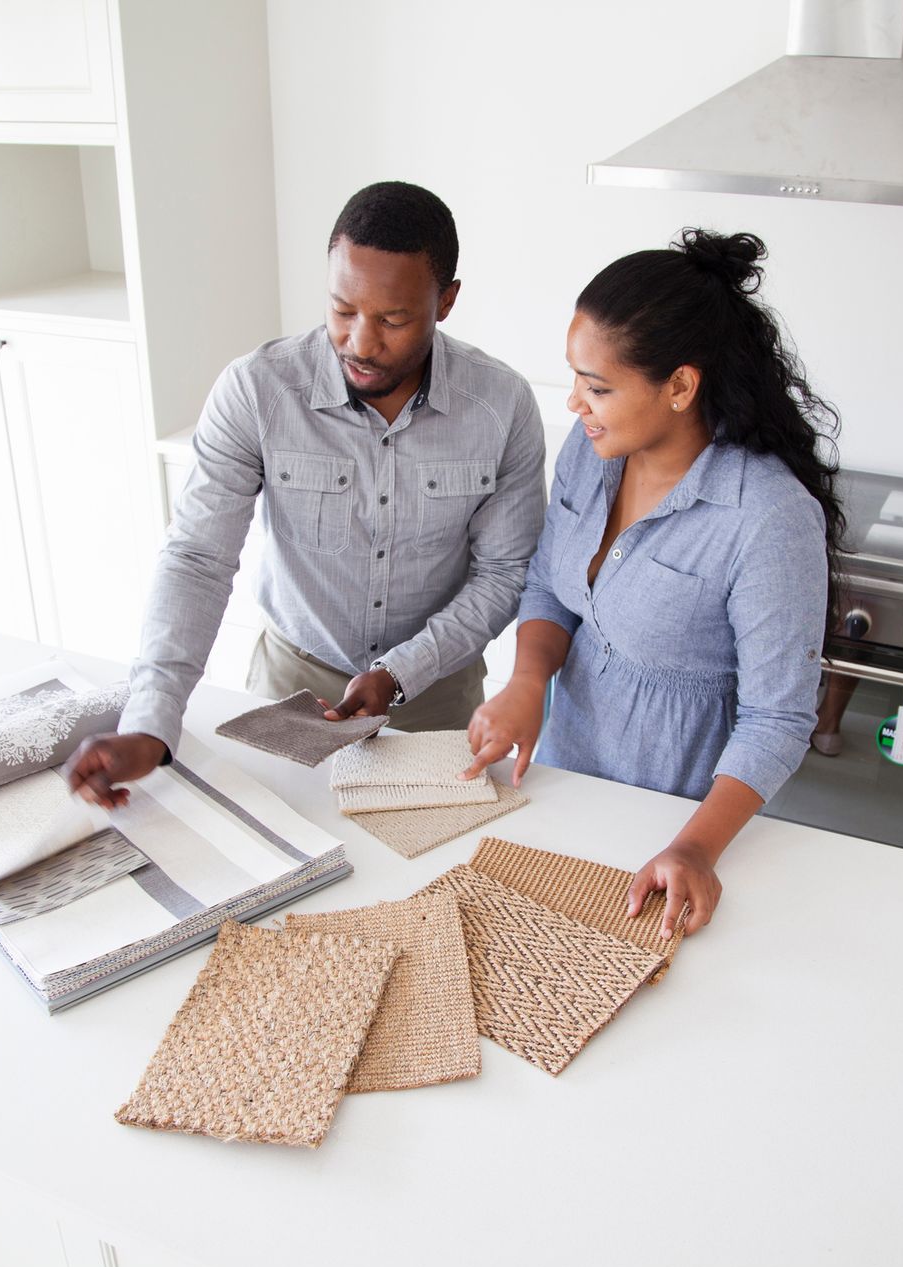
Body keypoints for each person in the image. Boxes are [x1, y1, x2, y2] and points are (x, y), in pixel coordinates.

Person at [67, 182, 547, 806]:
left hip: (438, 700)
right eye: (342, 310)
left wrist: (400, 673)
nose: (361, 342)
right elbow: (196, 559)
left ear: (446, 301)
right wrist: (149, 722)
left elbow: (506, 573)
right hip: (291, 690)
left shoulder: (502, 406)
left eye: (393, 319)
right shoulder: (258, 390)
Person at [463, 229, 845, 940]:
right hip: (563, 790)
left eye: (598, 386)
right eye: (575, 377)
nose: (575, 403)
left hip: (676, 830)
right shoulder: (593, 448)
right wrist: (524, 683)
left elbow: (778, 718)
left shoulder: (765, 516)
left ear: (679, 386)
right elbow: (551, 585)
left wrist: (695, 847)